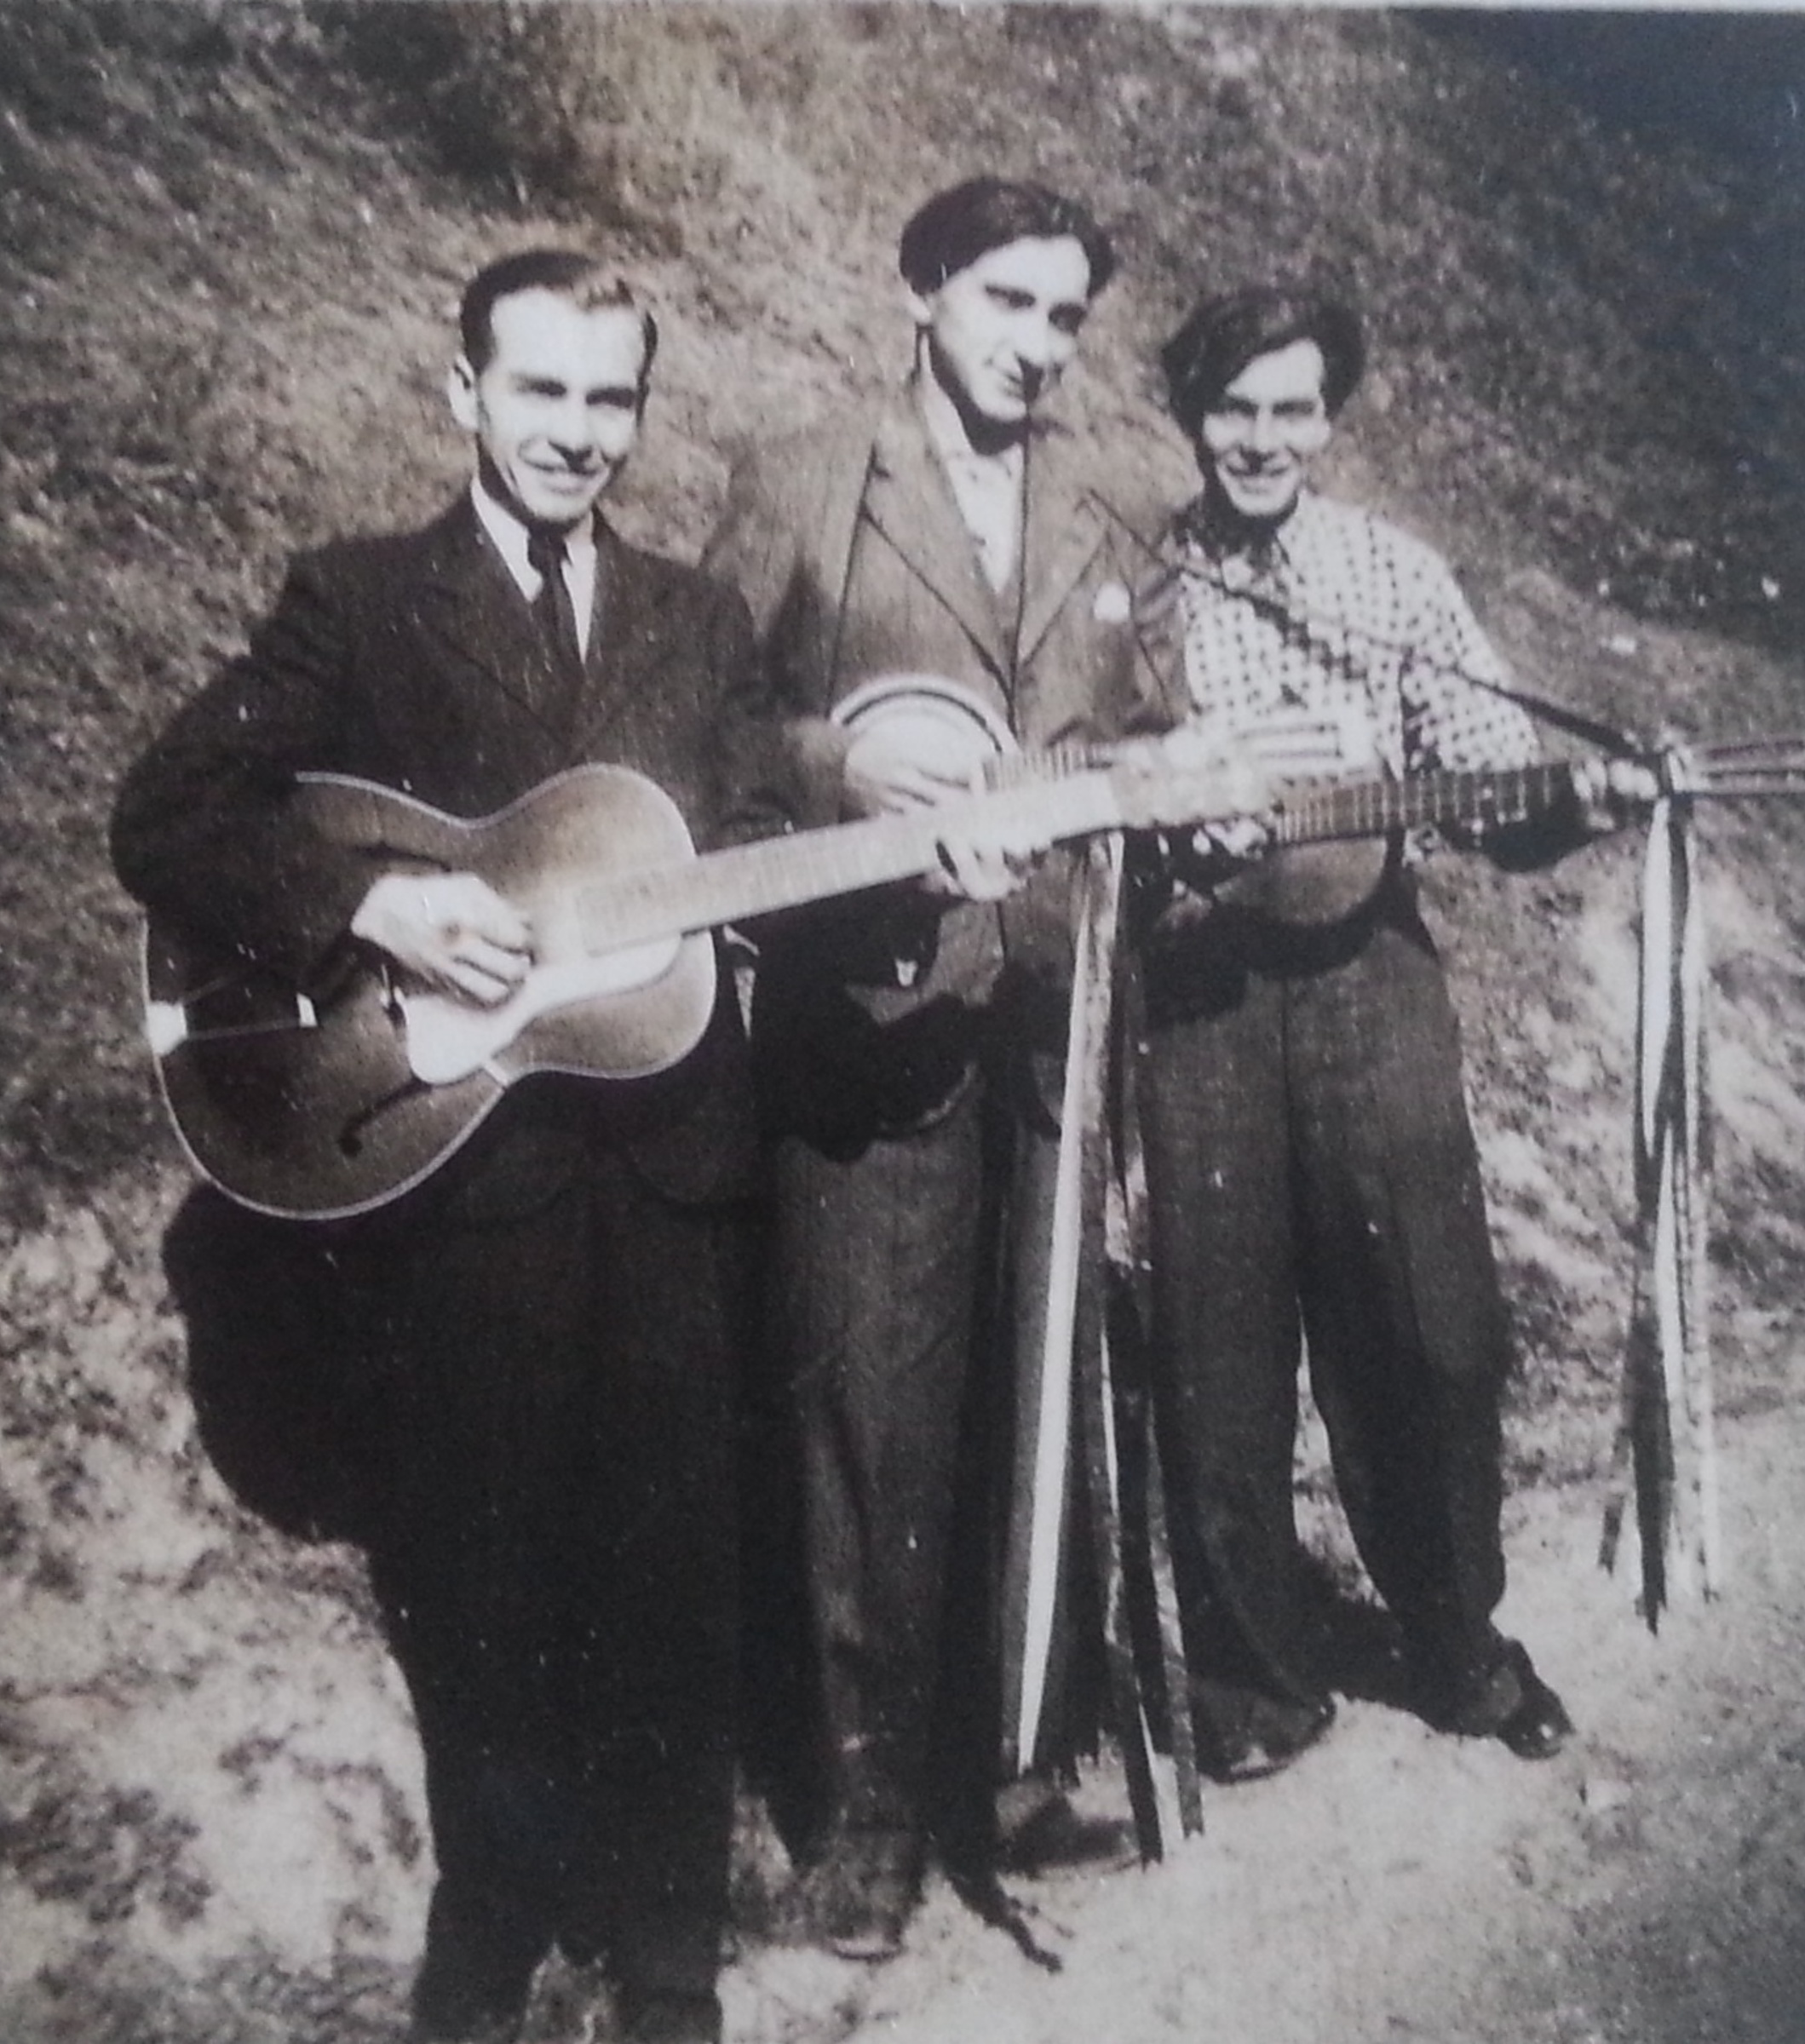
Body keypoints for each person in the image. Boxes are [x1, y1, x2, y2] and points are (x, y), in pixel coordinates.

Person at [112, 250, 761, 2044]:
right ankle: (491, 1924)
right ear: (461, 392)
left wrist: (901, 863)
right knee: (475, 1577)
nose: (576, 432)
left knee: (673, 1568)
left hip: (671, 1172)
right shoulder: (360, 601)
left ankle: (670, 1955)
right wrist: (372, 902)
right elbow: (168, 813)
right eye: (539, 389)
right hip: (459, 1183)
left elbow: (769, 825)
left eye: (611, 397)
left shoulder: (702, 619)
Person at [704, 176, 1162, 1957]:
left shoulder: (1108, 510)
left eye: (1064, 318)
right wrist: (840, 771)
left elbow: (1144, 733)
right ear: (920, 292)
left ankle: (1016, 1758)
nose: (1035, 347)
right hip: (873, 1022)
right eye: (1003, 303)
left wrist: (1182, 794)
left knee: (1034, 1389)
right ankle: (866, 1820)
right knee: (868, 1428)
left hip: (1053, 1019)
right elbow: (698, 724)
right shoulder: (808, 479)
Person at [1129, 284, 1647, 1786]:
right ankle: (1252, 1679)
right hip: (1200, 989)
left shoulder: (1394, 575)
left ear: (1330, 419)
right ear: (1191, 415)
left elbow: (1491, 781)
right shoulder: (1135, 583)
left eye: (1293, 409)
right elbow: (1087, 780)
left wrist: (1576, 804)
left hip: (1372, 975)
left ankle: (1458, 1642)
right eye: (1234, 407)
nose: (1262, 439)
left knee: (1432, 1325)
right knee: (1217, 1342)